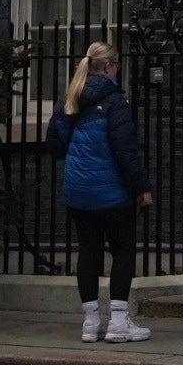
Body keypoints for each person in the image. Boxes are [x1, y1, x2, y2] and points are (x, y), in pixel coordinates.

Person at [43, 41, 151, 343]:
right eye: (117, 65)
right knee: (123, 251)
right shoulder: (115, 103)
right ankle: (118, 322)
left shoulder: (69, 100)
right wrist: (142, 188)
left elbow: (54, 146)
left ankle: (90, 323)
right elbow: (125, 152)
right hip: (113, 193)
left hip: (78, 192)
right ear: (110, 67)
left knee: (88, 252)